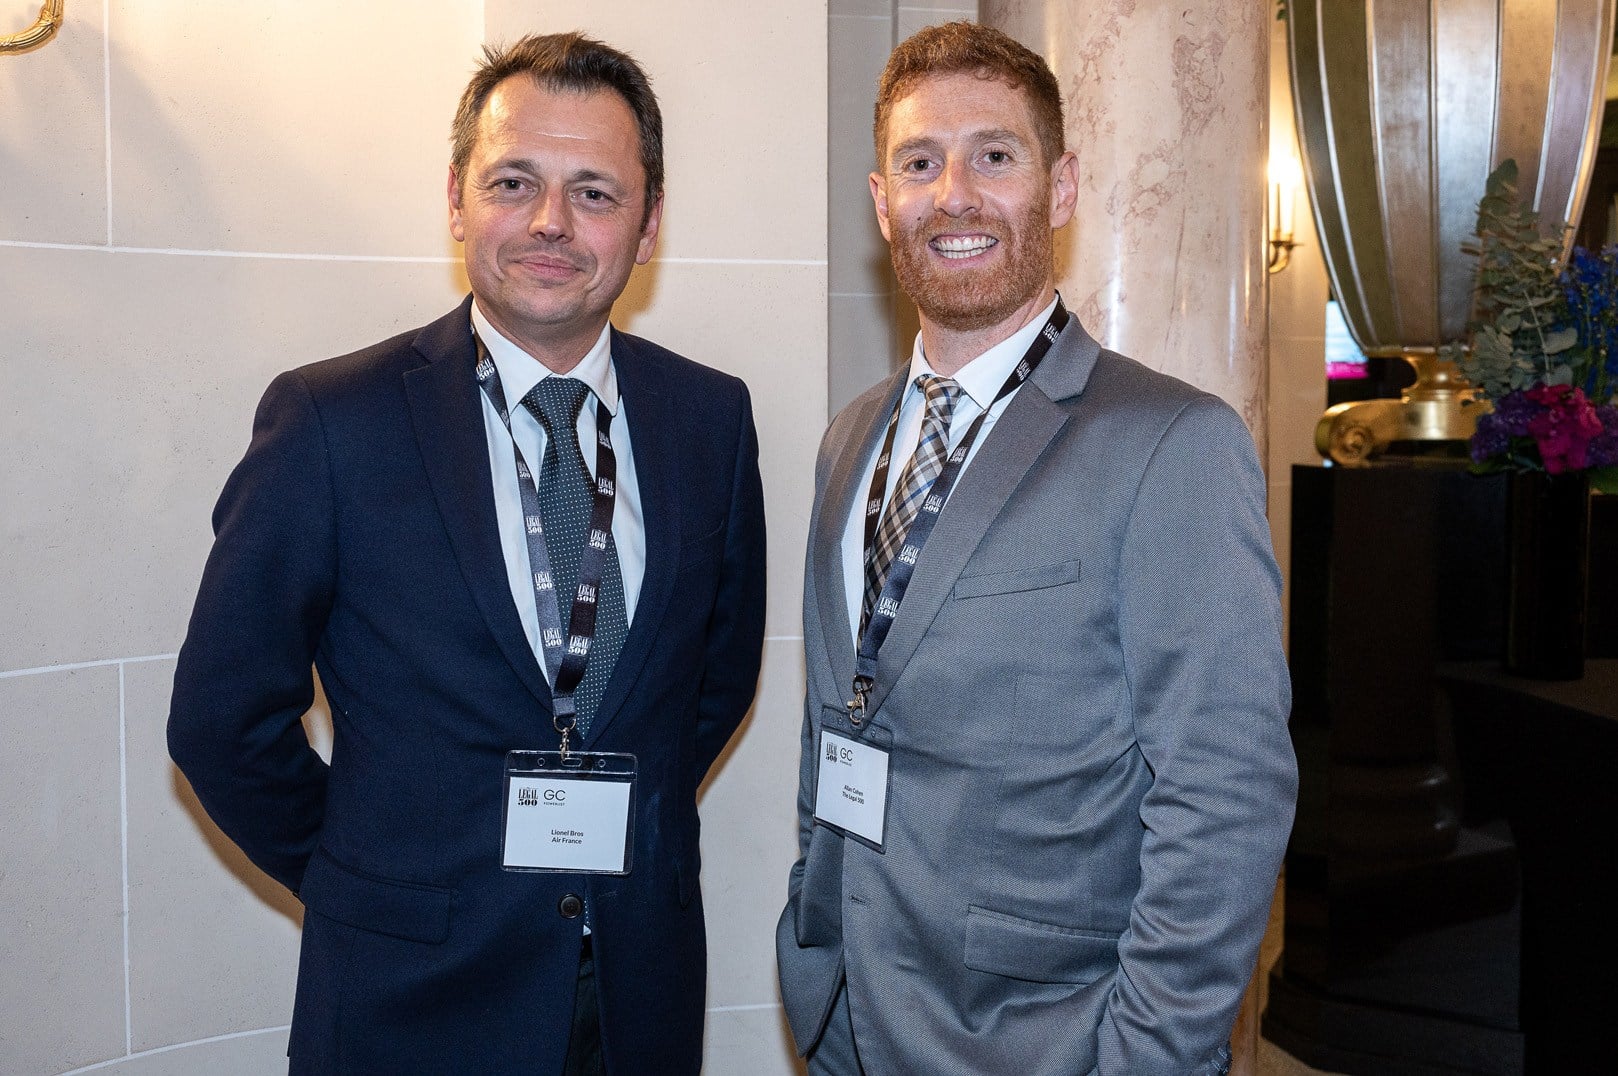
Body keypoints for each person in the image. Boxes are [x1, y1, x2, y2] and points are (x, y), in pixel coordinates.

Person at [169, 32, 765, 1075]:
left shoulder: (709, 419)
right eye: (513, 182)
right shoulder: (331, 422)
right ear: (457, 200)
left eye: (594, 192)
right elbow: (222, 719)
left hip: (638, 993)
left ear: (649, 224)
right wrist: (366, 878)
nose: (551, 221)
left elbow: (708, 687)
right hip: (409, 1001)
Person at [776, 22, 1296, 1076]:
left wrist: (1144, 1056)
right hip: (846, 1014)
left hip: (1048, 1036)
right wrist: (815, 935)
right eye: (920, 163)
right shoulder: (851, 438)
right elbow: (842, 713)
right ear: (881, 200)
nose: (955, 195)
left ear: (1059, 189)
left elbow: (1225, 798)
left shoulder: (1171, 445)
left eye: (995, 156)